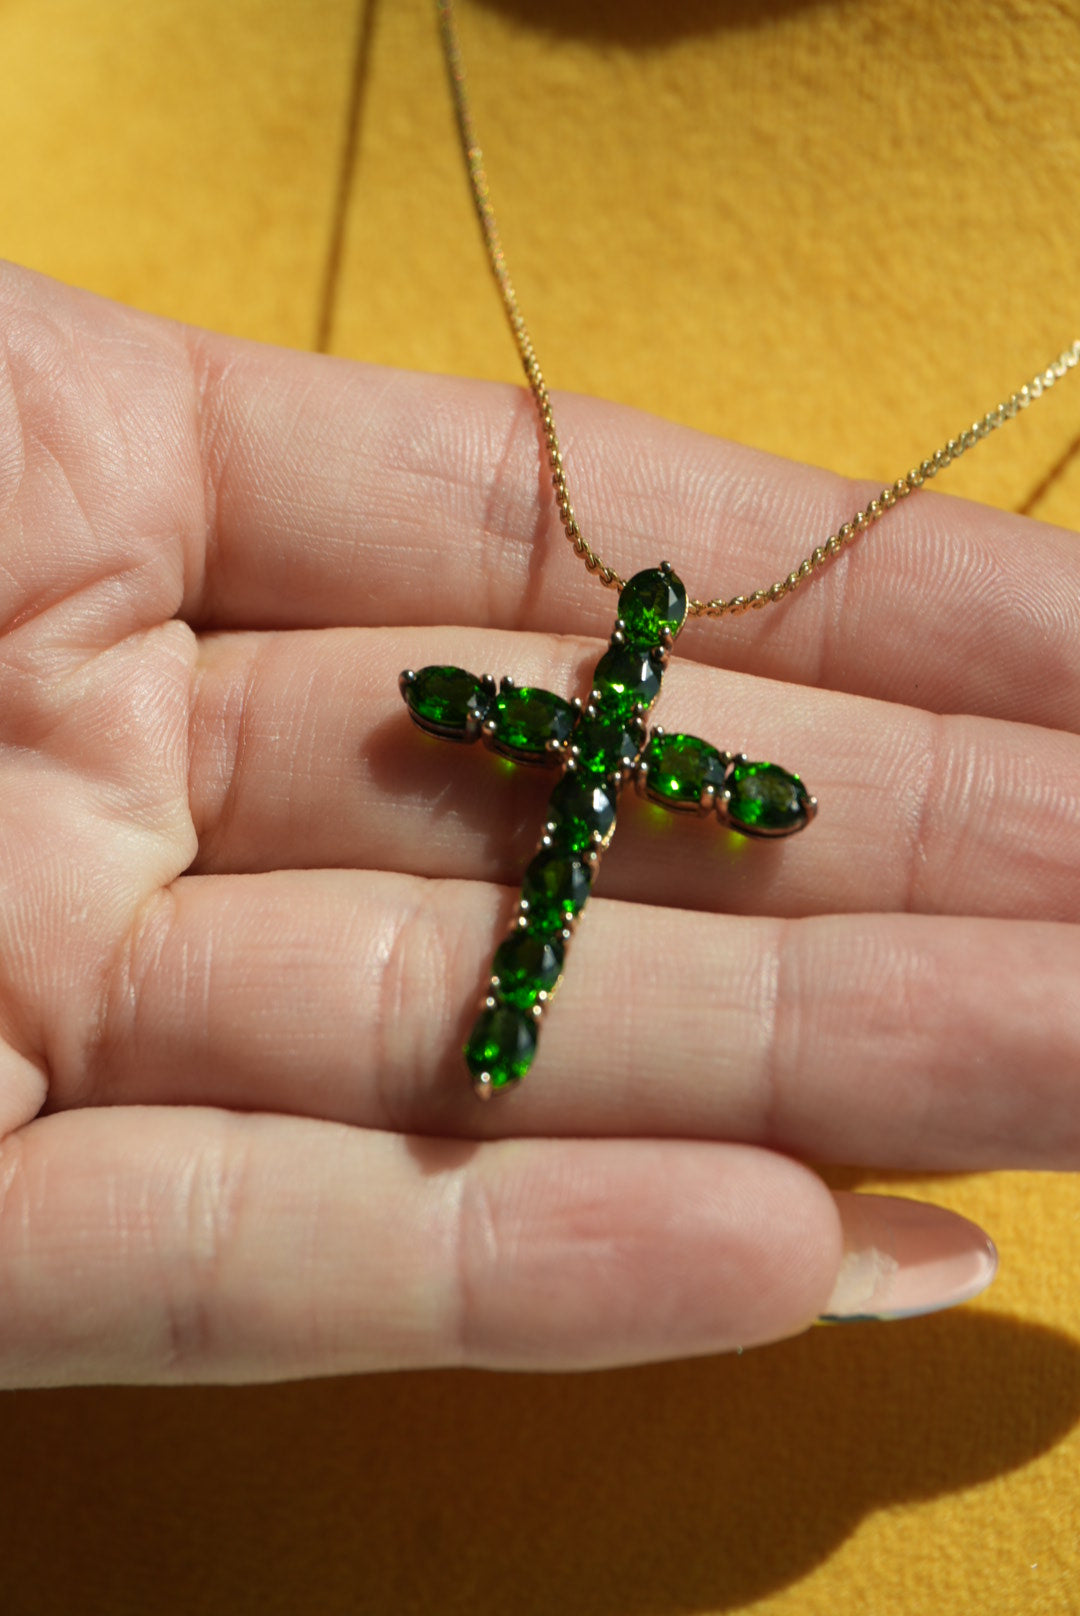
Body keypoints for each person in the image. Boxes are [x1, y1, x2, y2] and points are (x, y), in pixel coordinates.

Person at [0, 258, 1074, 1388]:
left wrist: (728, 785)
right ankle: (505, 1032)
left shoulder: (620, 723)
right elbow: (465, 703)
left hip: (586, 803)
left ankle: (507, 1028)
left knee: (548, 916)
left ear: (641, 634)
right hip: (576, 787)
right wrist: (520, 722)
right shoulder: (598, 715)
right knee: (544, 906)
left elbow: (734, 785)